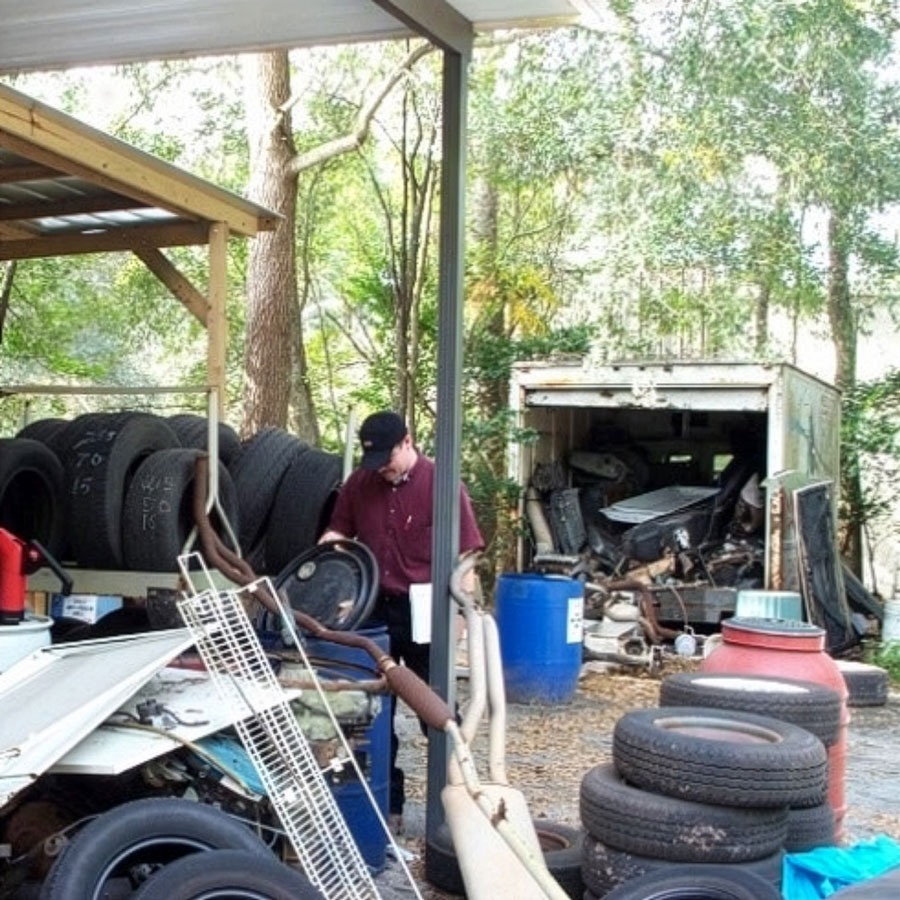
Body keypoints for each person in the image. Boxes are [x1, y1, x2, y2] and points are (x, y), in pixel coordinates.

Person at [320, 410, 484, 834]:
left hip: (429, 609)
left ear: (407, 442)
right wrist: (322, 571)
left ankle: (455, 807)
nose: (385, 470)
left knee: (438, 706)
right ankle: (387, 806)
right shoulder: (360, 483)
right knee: (374, 708)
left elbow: (468, 556)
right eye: (375, 463)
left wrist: (459, 621)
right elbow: (337, 536)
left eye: (389, 459)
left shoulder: (443, 485)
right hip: (375, 605)